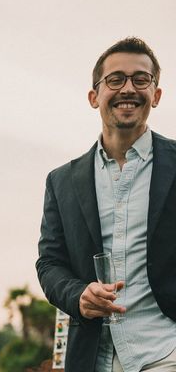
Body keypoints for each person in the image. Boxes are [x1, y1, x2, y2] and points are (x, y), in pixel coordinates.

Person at [36, 37, 176, 372]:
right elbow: (50, 264)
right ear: (94, 96)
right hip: (91, 358)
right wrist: (79, 294)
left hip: (166, 349)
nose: (128, 88)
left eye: (140, 79)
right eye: (115, 80)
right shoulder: (61, 181)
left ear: (155, 95)